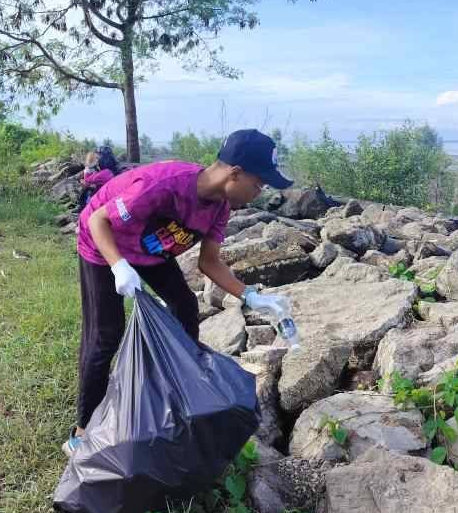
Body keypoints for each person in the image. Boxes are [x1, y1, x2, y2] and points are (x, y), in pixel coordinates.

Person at [65, 128, 295, 457]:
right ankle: (82, 431)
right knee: (105, 334)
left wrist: (252, 297)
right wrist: (117, 266)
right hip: (103, 245)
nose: (259, 192)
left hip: (148, 252)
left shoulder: (219, 207)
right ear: (235, 173)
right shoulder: (164, 184)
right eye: (259, 184)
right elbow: (99, 221)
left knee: (185, 306)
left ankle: (174, 390)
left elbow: (210, 263)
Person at [76, 145, 121, 211]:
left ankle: (83, 208)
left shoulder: (105, 173)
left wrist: (88, 168)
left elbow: (87, 180)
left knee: (87, 190)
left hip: (102, 202)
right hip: (109, 199)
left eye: (98, 158)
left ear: (104, 159)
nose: (97, 161)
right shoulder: (111, 170)